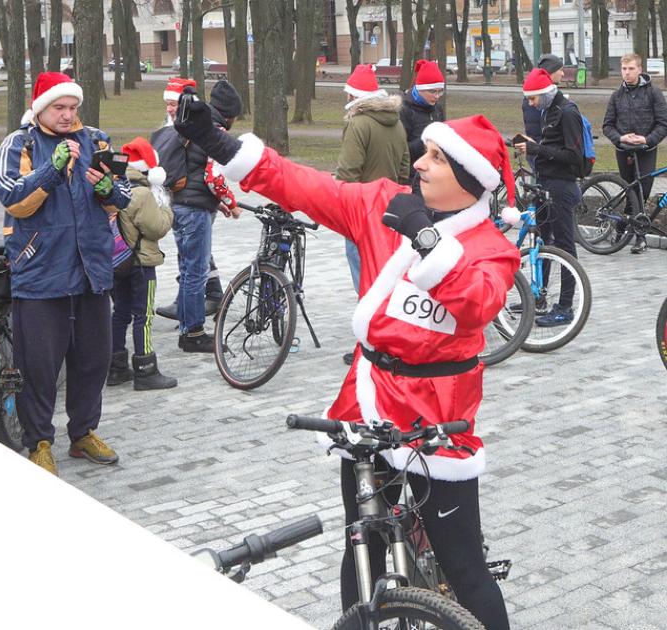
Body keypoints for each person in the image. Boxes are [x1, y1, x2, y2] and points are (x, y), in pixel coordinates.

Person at [175, 91, 516, 630]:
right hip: (369, 400)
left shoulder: (490, 245)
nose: (418, 162)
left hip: (440, 416)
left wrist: (426, 240)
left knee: (466, 567)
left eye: (436, 157)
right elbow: (305, 187)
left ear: (470, 179)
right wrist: (218, 142)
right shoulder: (383, 200)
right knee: (363, 541)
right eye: (422, 152)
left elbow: (478, 304)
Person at [0, 72, 132, 475]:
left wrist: (108, 187)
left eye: (73, 108)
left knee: (93, 361)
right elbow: (11, 197)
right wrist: (50, 173)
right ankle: (38, 441)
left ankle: (83, 433)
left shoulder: (97, 140)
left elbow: (123, 196)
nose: (68, 116)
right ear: (41, 108)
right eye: (60, 108)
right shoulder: (20, 143)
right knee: (39, 366)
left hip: (92, 270)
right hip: (39, 273)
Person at [151, 78, 242, 352]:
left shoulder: (191, 124)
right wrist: (231, 201)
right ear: (230, 115)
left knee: (189, 268)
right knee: (196, 272)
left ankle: (190, 324)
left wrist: (221, 204)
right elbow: (213, 175)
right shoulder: (210, 130)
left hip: (179, 203)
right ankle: (193, 333)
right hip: (194, 209)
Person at [337, 63, 409, 365]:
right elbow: (405, 168)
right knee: (386, 277)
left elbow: (348, 172)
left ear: (354, 96)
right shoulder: (397, 122)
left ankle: (369, 343)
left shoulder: (359, 124)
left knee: (364, 281)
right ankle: (393, 336)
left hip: (362, 212)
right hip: (391, 212)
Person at [106, 136, 177, 391]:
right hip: (140, 263)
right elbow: (156, 228)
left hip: (118, 262)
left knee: (120, 314)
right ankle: (145, 370)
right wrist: (167, 209)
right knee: (143, 315)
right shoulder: (143, 193)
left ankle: (116, 368)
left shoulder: (117, 187)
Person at [515, 68, 584, 326]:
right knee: (541, 242)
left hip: (562, 188)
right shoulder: (546, 111)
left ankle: (565, 306)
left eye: (533, 99)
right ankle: (538, 298)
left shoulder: (567, 112)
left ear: (545, 94)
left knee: (565, 247)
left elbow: (573, 158)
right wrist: (533, 146)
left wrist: (537, 148)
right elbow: (551, 148)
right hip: (544, 185)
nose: (530, 104)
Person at [602, 52, 667, 253]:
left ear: (640, 69)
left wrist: (647, 139)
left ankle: (630, 231)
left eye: (631, 69)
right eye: (624, 69)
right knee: (629, 190)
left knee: (643, 191)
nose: (627, 73)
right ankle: (633, 233)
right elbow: (607, 125)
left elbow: (663, 123)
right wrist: (621, 138)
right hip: (624, 151)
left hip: (646, 149)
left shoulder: (653, 93)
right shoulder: (616, 96)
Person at [400, 59, 445, 182]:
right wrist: (426, 141)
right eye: (432, 91)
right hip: (413, 177)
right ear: (419, 89)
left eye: (439, 91)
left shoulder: (437, 109)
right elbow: (401, 151)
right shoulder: (404, 110)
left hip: (434, 174)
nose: (436, 96)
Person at [521, 54, 564, 171]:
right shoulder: (539, 98)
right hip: (540, 154)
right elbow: (540, 130)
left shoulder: (546, 96)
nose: (562, 73)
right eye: (560, 70)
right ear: (551, 72)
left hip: (540, 151)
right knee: (540, 184)